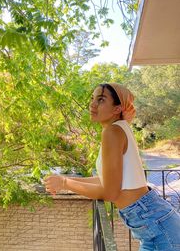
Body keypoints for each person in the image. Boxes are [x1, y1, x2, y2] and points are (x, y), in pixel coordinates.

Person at [44, 83, 180, 250]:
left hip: (157, 228)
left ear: (117, 109)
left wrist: (65, 183)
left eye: (101, 100)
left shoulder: (113, 132)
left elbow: (110, 192)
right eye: (92, 99)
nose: (92, 104)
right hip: (152, 223)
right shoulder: (119, 128)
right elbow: (106, 180)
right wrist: (65, 180)